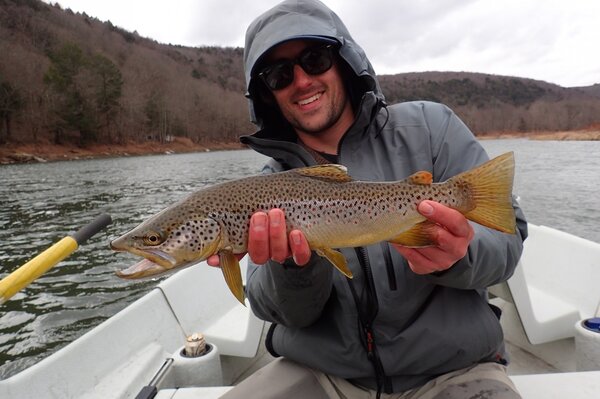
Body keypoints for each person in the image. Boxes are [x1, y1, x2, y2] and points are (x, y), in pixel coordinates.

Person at [212, 0, 528, 397]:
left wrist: (459, 254)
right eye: (278, 75)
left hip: (455, 370)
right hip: (323, 375)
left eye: (315, 58)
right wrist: (294, 266)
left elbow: (507, 244)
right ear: (266, 93)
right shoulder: (266, 190)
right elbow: (283, 312)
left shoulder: (432, 128)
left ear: (343, 60)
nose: (302, 81)